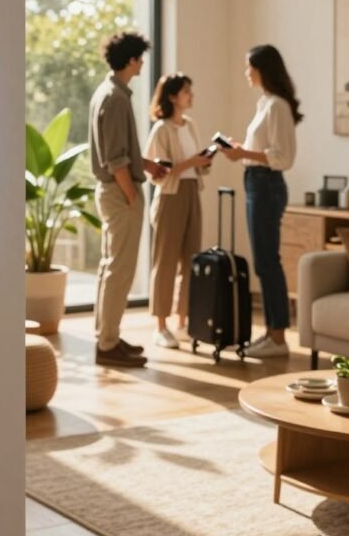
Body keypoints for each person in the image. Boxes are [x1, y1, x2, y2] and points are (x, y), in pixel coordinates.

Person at [89, 31, 168, 368]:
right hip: (120, 194)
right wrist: (132, 196)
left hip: (114, 191)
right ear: (132, 60)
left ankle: (107, 337)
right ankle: (108, 345)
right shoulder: (116, 98)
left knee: (111, 268)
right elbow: (115, 160)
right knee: (119, 271)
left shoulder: (106, 93)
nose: (143, 65)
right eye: (140, 59)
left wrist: (146, 165)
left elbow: (119, 152)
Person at [220, 44, 303, 358]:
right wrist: (241, 150)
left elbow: (283, 157)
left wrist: (243, 153)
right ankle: (271, 333)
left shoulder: (278, 106)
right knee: (263, 262)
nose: (246, 73)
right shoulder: (264, 103)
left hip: (267, 185)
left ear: (263, 69)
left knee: (268, 262)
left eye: (249, 67)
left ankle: (278, 337)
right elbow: (264, 149)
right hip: (256, 182)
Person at [144, 74, 213, 348]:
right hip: (170, 197)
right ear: (172, 96)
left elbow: (195, 165)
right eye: (186, 91)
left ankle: (183, 323)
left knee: (191, 259)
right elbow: (159, 171)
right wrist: (192, 161)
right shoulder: (161, 129)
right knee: (166, 261)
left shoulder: (190, 125)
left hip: (192, 192)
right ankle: (161, 326)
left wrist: (203, 161)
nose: (191, 95)